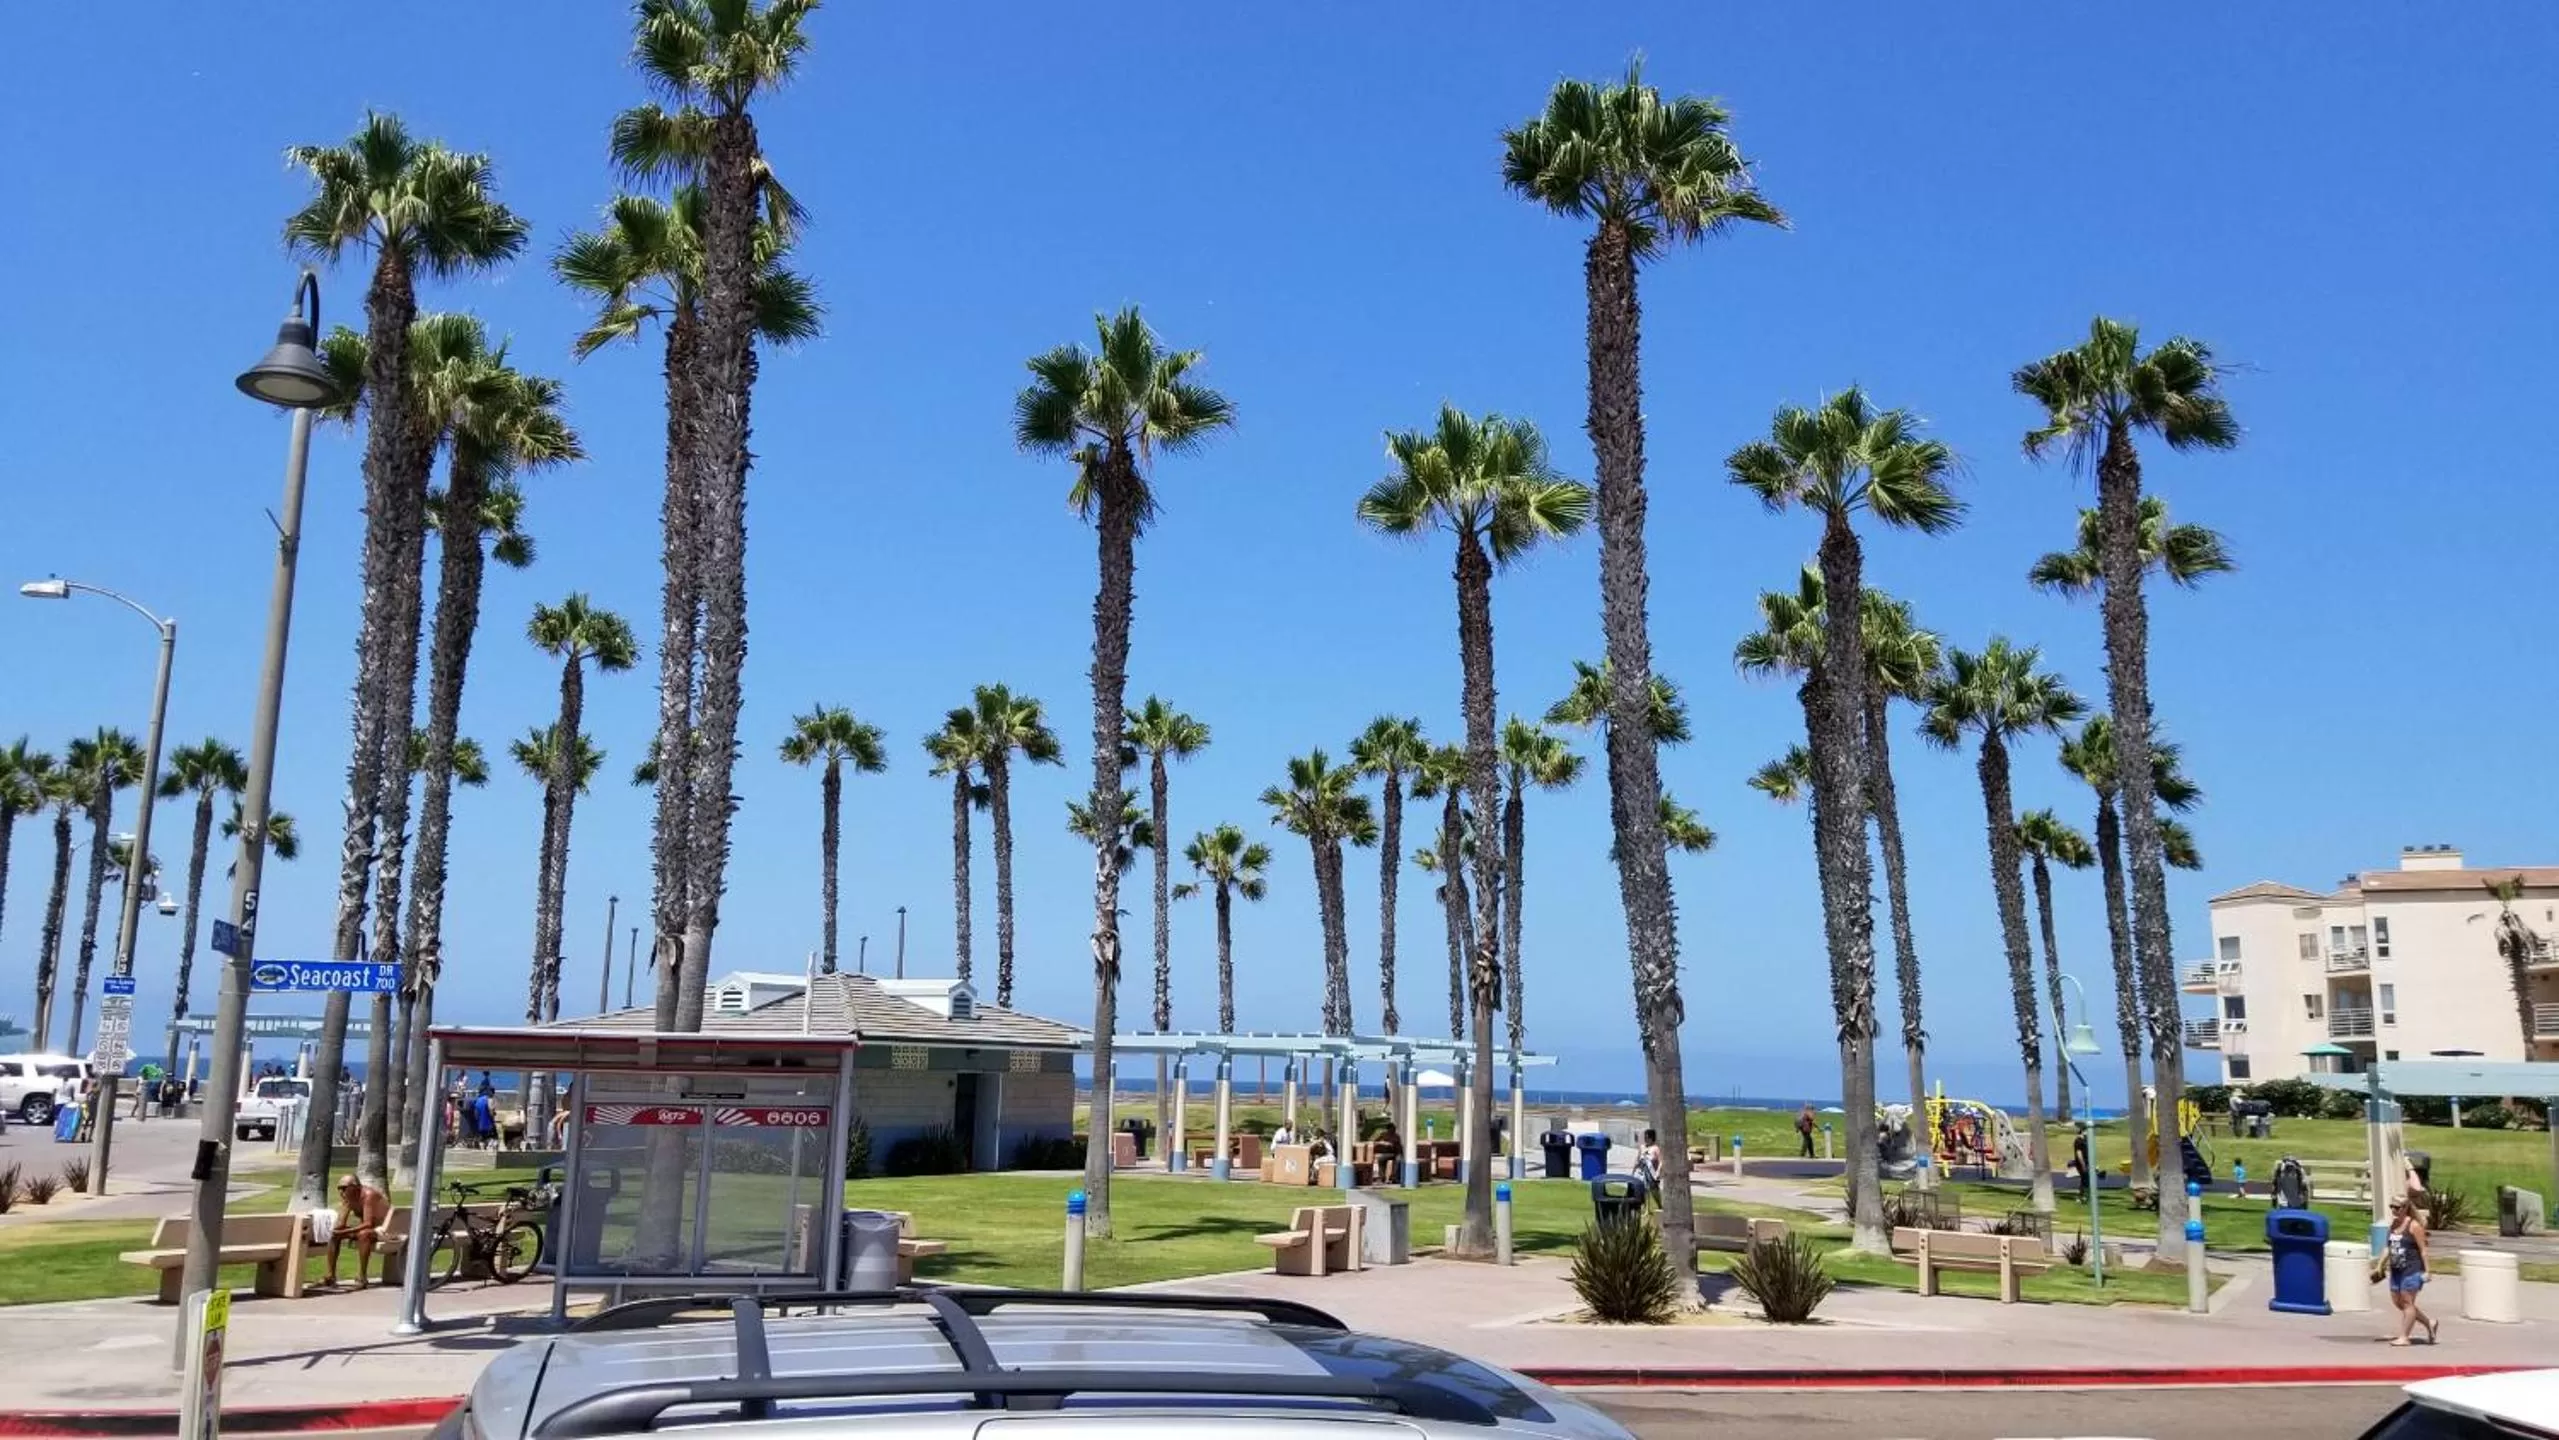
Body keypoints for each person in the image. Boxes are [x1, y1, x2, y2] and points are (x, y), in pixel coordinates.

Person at [2382, 1197, 2438, 1346]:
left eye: (2397, 1207)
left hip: (2412, 1269)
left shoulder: (2414, 1226)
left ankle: (2404, 1337)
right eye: (2391, 1206)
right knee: (2398, 1302)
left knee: (2407, 1302)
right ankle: (2429, 1323)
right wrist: (2379, 1265)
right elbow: (2388, 1247)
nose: (2394, 1209)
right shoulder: (2393, 1225)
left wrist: (2427, 1271)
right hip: (2396, 1270)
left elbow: (2423, 1250)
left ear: (2406, 1207)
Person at [323, 1173, 391, 1289]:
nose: (341, 1192)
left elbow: (368, 1223)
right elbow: (341, 1224)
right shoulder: (349, 1198)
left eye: (344, 1188)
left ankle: (362, 1277)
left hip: (384, 1230)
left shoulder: (368, 1195)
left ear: (355, 1187)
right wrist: (337, 1230)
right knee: (335, 1235)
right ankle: (330, 1275)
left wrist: (344, 1232)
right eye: (339, 1188)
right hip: (370, 1229)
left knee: (364, 1234)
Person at [1633, 1128, 1665, 1207]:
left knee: (1654, 1191)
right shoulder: (1642, 1147)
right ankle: (1643, 1207)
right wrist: (1634, 1170)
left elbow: (1661, 1161)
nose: (1646, 1139)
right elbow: (1637, 1159)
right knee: (1642, 1190)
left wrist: (1658, 1172)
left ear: (1651, 1138)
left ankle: (1660, 1205)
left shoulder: (1656, 1148)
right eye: (1645, 1137)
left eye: (1647, 1137)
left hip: (1651, 1174)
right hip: (1641, 1172)